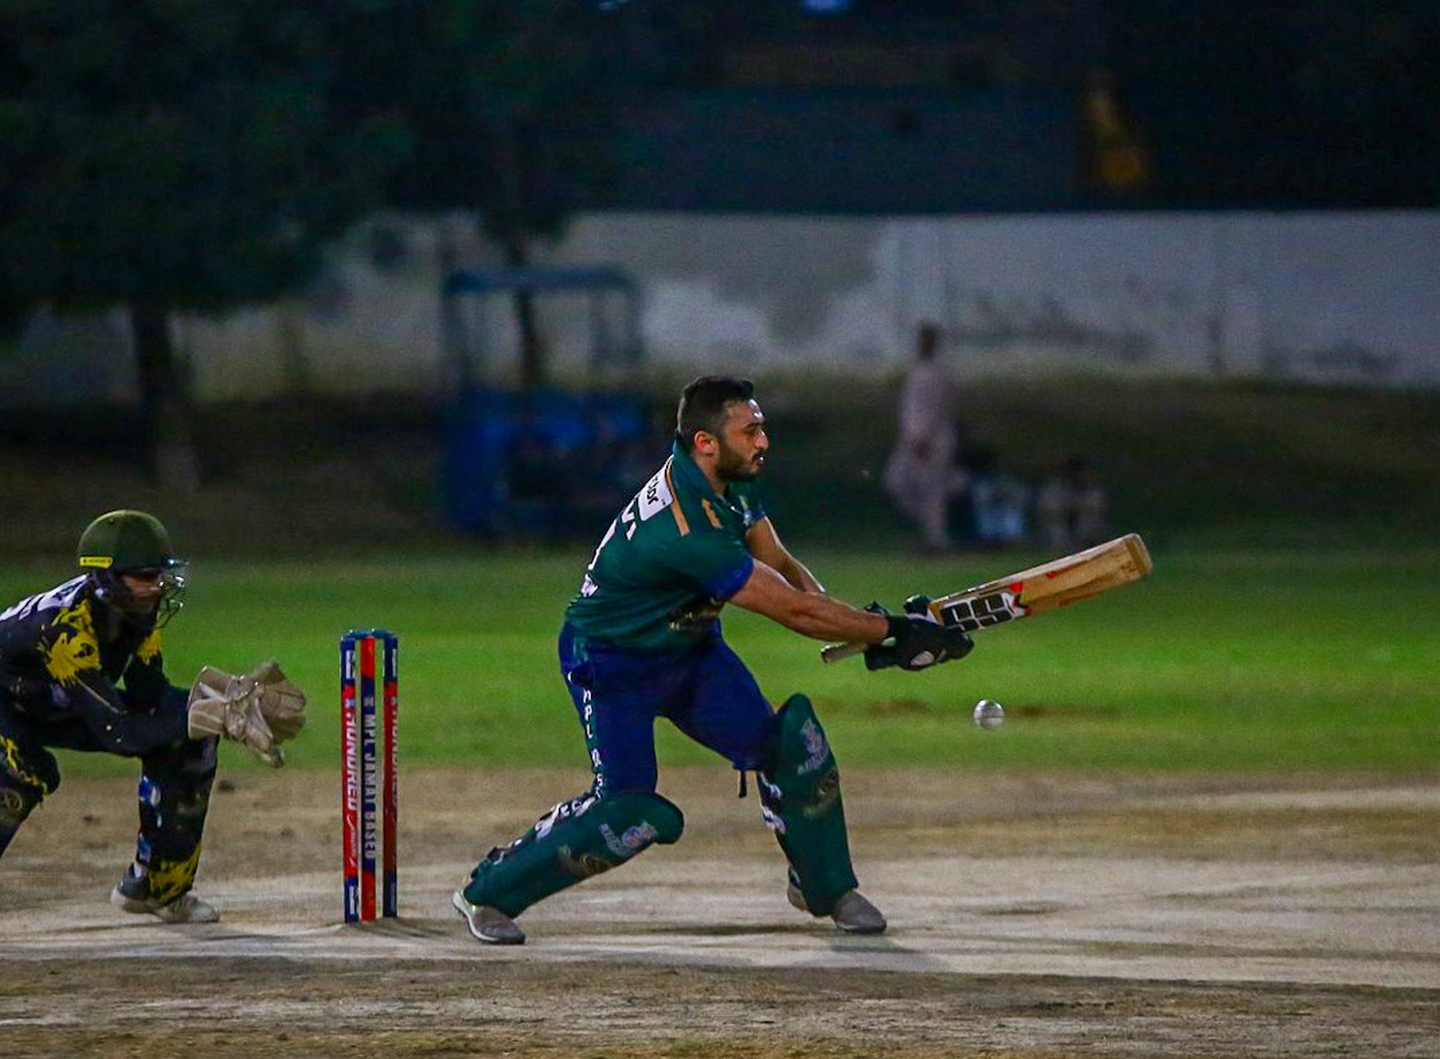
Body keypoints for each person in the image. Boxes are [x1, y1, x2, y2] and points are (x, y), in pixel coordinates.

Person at [450, 375, 973, 945]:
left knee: (793, 749)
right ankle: (488, 893)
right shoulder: (685, 526)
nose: (763, 441)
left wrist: (865, 628)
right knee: (626, 810)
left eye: (761, 428)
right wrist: (892, 630)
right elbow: (791, 611)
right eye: (750, 431)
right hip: (612, 662)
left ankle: (824, 887)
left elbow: (782, 567)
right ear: (705, 441)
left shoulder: (731, 484)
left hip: (691, 653)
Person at [0, 509, 296, 946]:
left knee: (187, 743)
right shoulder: (67, 629)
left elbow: (149, 693)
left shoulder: (137, 614)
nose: (158, 585)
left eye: (160, 574)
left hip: (49, 696)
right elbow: (116, 731)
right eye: (144, 576)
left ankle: (157, 887)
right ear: (106, 578)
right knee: (17, 771)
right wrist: (200, 716)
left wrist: (219, 703)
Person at [884, 324, 960, 553]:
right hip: (911, 439)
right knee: (897, 481)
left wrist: (924, 437)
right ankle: (930, 532)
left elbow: (938, 407)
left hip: (932, 438)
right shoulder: (917, 368)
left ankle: (936, 540)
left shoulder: (939, 371)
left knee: (932, 490)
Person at [1036, 455, 1110, 552]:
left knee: (1087, 524)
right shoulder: (1055, 488)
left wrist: (1079, 505)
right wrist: (1065, 506)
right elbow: (1046, 509)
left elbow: (1099, 508)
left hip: (1085, 524)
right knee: (1057, 529)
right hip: (1060, 524)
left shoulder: (1093, 490)